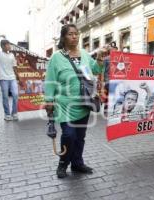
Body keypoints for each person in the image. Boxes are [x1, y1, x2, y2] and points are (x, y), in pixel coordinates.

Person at [44, 24, 105, 178]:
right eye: (70, 34)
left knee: (80, 136)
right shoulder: (56, 58)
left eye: (76, 34)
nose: (75, 36)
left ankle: (77, 163)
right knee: (69, 135)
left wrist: (99, 57)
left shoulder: (84, 54)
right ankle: (63, 164)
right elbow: (50, 80)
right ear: (63, 37)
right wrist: (49, 101)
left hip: (84, 103)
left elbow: (96, 70)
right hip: (65, 105)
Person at [0, 35, 20, 121]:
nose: (9, 46)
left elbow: (14, 67)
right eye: (8, 45)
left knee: (15, 95)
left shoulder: (12, 55)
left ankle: (14, 113)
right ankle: (7, 114)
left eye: (9, 45)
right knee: (5, 97)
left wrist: (18, 77)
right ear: (3, 46)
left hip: (12, 78)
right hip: (3, 78)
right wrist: (0, 36)